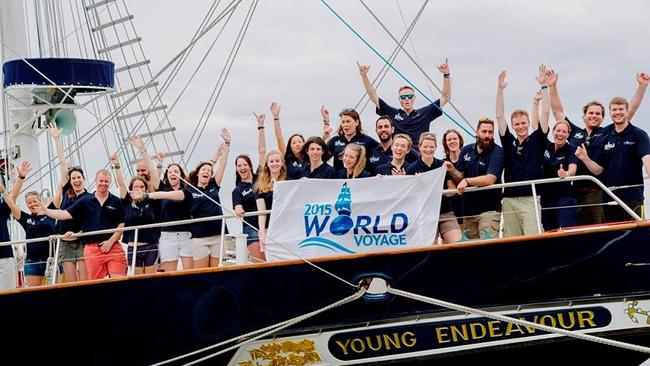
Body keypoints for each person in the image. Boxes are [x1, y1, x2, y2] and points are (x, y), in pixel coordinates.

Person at [546, 69, 648, 225]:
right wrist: (552, 86)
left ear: (602, 117)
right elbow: (558, 112)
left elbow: (629, 111)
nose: (594, 116)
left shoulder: (607, 132)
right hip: (577, 192)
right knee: (580, 230)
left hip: (600, 191)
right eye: (591, 113)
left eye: (598, 114)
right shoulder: (575, 133)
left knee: (602, 228)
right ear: (584, 115)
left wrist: (641, 87)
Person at [576, 93, 650, 222]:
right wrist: (585, 158)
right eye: (614, 109)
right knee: (612, 237)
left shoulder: (639, 135)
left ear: (627, 111)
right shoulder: (605, 135)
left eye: (621, 109)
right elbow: (598, 170)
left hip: (633, 197)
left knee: (636, 236)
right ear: (610, 112)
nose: (618, 112)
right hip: (609, 198)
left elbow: (647, 160)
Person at [44, 169, 127, 280]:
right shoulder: (85, 201)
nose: (103, 183)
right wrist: (45, 211)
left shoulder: (116, 201)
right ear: (95, 181)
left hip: (113, 245)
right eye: (101, 181)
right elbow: (65, 214)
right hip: (91, 248)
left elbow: (122, 224)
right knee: (94, 284)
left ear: (110, 182)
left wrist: (110, 242)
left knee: (119, 280)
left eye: (106, 181)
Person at [496, 67, 549, 237]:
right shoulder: (508, 141)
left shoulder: (537, 139)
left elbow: (546, 113)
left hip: (530, 197)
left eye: (523, 123)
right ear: (513, 126)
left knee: (532, 237)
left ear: (528, 123)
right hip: (510, 198)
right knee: (511, 239)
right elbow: (499, 116)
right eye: (517, 124)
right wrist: (500, 89)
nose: (520, 127)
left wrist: (544, 87)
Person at [358, 59, 451, 149]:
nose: (407, 99)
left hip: (417, 157)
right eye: (403, 97)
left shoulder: (424, 113)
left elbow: (446, 98)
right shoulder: (393, 113)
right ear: (399, 100)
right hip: (398, 155)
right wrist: (364, 76)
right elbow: (373, 97)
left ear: (414, 98)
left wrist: (446, 74)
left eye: (410, 96)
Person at [448, 118, 504, 240]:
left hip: (488, 211)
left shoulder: (497, 152)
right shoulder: (466, 150)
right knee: (470, 252)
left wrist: (468, 181)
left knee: (488, 249)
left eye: (490, 132)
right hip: (468, 212)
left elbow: (490, 179)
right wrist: (452, 169)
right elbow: (460, 178)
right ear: (477, 131)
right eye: (484, 131)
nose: (487, 135)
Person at [405, 132, 461, 243]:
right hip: (425, 215)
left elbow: (452, 190)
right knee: (430, 247)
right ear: (420, 147)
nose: (428, 150)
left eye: (431, 147)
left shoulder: (442, 165)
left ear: (435, 148)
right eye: (425, 147)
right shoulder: (412, 169)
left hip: (445, 212)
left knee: (458, 243)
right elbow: (409, 195)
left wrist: (438, 192)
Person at [111, 153, 160, 275]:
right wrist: (116, 164)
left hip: (151, 245)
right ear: (131, 188)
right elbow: (121, 183)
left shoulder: (151, 200)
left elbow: (155, 181)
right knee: (138, 280)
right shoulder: (127, 200)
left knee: (150, 280)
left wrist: (159, 165)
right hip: (134, 247)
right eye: (135, 186)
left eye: (141, 187)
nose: (138, 188)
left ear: (146, 189)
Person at [50, 126, 88, 282]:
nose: (76, 180)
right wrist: (57, 139)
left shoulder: (89, 198)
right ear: (70, 181)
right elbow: (62, 163)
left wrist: (78, 234)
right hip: (65, 242)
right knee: (71, 281)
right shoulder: (67, 192)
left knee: (85, 280)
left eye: (79, 177)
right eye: (73, 178)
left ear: (83, 179)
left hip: (81, 241)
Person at [3, 188, 56, 287]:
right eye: (29, 203)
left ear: (40, 201)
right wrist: (3, 192)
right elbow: (11, 204)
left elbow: (59, 193)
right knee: (34, 296)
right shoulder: (26, 218)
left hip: (51, 260)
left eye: (35, 201)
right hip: (32, 262)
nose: (32, 204)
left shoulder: (50, 213)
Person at [0, 161, 32, 289]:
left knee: (7, 293)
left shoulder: (1, 207)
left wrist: (21, 178)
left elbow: (12, 196)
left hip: (4, 256)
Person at [541, 121, 578, 230]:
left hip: (565, 197)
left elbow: (573, 169)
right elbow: (535, 125)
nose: (560, 134)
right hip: (547, 198)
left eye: (564, 132)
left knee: (566, 230)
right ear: (552, 131)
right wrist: (536, 103)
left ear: (568, 134)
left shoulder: (571, 149)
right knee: (549, 231)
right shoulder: (548, 147)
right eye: (558, 130)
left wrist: (565, 173)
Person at [156, 161, 193, 272]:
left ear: (181, 175)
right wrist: (143, 151)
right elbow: (154, 175)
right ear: (167, 176)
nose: (173, 173)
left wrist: (148, 196)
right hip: (167, 236)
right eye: (170, 172)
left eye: (176, 171)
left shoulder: (186, 192)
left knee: (190, 274)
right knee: (170, 274)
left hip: (186, 236)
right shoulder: (162, 189)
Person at [325, 108, 378, 172]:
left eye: (348, 121)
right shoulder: (334, 141)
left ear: (356, 122)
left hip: (361, 179)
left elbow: (382, 153)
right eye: (343, 122)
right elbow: (321, 157)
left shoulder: (367, 140)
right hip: (340, 179)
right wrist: (326, 123)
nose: (345, 125)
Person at [232, 153, 263, 262]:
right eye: (239, 166)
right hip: (252, 227)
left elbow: (262, 152)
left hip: (269, 225)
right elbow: (237, 206)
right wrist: (238, 210)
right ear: (236, 169)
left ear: (250, 166)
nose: (242, 168)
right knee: (261, 263)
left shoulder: (260, 178)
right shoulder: (237, 190)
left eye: (245, 164)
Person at [255, 150, 287, 249]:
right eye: (271, 162)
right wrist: (262, 231)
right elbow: (262, 212)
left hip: (285, 227)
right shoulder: (260, 187)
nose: (274, 164)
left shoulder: (288, 183)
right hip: (270, 228)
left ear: (282, 163)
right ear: (267, 164)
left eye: (277, 161)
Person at [268, 102, 305, 180]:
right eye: (294, 143)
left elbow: (321, 145)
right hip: (290, 190)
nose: (297, 144)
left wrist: (326, 122)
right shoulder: (288, 159)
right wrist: (276, 118)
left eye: (300, 142)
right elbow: (279, 138)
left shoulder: (310, 159)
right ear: (290, 146)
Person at [442, 129, 465, 224]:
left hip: (467, 209)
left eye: (455, 139)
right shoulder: (442, 163)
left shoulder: (468, 159)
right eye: (449, 140)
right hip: (450, 211)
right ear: (446, 144)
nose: (452, 141)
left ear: (460, 141)